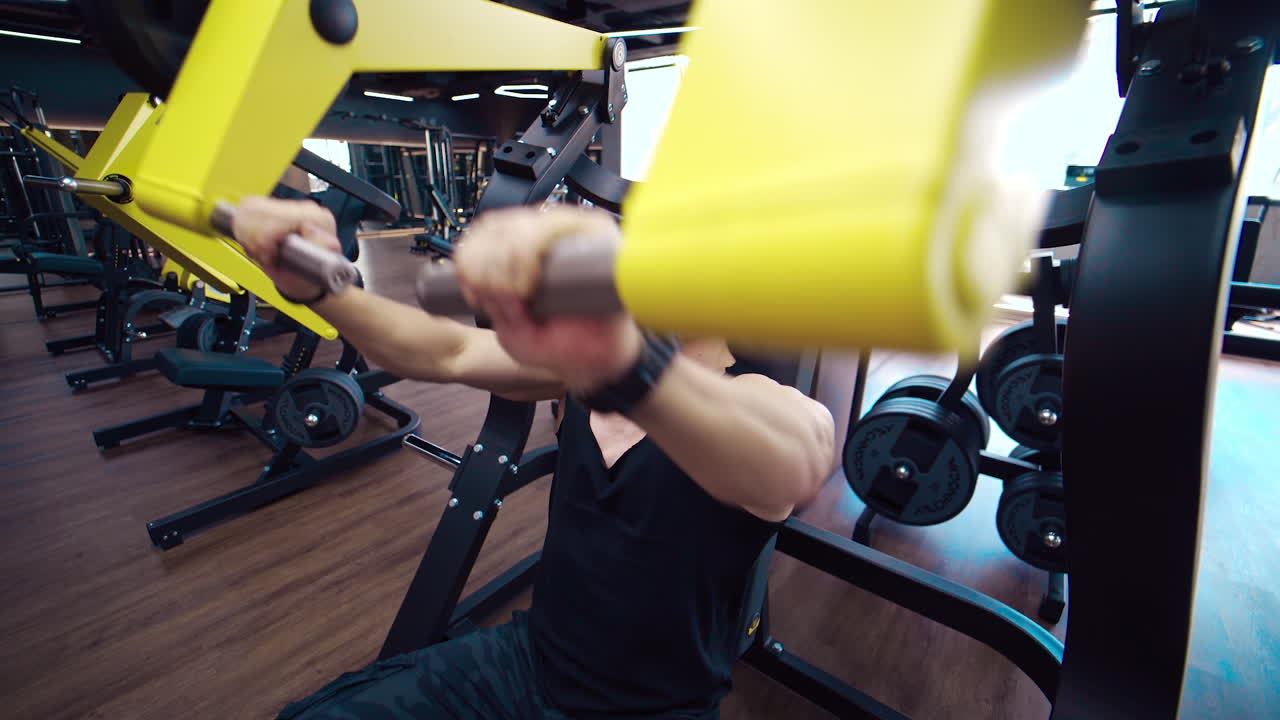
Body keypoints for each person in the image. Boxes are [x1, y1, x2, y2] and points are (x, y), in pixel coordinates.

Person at [233, 197, 836, 720]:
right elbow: (442, 350)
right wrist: (321, 286)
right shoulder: (580, 368)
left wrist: (629, 367)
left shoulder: (766, 403)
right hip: (527, 662)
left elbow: (793, 459)